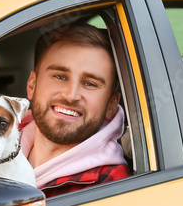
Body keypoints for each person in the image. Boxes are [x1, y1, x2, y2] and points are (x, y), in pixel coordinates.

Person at [19, 22, 130, 196]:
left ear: (111, 105)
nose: (71, 95)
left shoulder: (110, 187)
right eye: (60, 76)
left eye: (90, 83)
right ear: (32, 85)